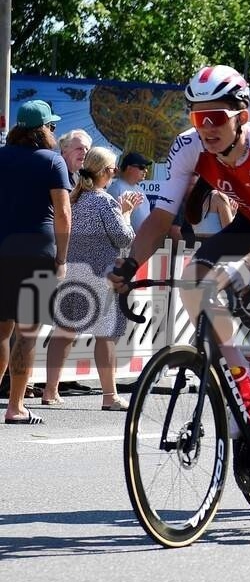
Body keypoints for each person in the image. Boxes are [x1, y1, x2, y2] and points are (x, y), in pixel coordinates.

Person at [109, 65, 250, 500]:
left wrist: (244, 269)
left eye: (216, 118)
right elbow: (159, 218)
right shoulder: (189, 148)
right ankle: (239, 370)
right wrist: (128, 265)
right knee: (193, 278)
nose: (206, 127)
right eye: (197, 117)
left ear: (241, 116)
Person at [43, 147, 143, 410]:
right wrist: (126, 213)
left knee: (64, 332)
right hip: (102, 275)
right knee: (105, 335)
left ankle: (50, 390)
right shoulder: (105, 201)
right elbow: (124, 238)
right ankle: (109, 396)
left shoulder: (73, 199)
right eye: (113, 170)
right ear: (106, 172)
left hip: (73, 273)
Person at [0, 100, 71, 425]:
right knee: (27, 332)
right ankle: (15, 407)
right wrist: (62, 258)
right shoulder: (52, 162)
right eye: (51, 126)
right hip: (37, 251)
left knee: (1, 329)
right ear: (43, 129)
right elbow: (63, 215)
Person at [106, 152, 152, 232]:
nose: (146, 170)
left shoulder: (139, 189)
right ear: (129, 168)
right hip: (127, 242)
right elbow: (111, 221)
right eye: (142, 167)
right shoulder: (116, 188)